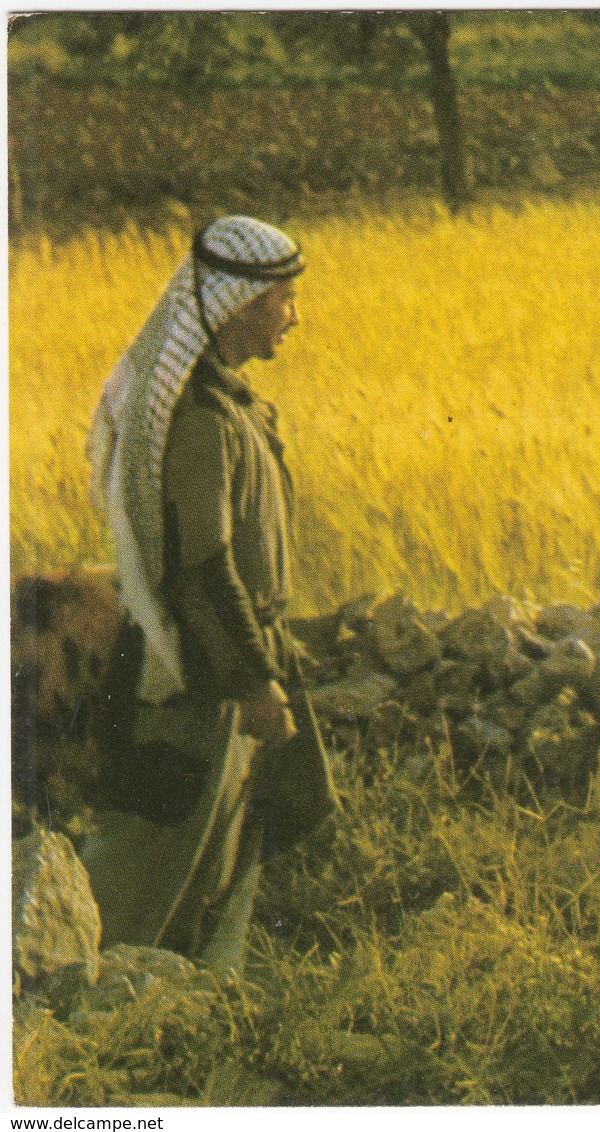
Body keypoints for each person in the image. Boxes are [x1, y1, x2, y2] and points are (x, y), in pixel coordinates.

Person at [82, 215, 336, 972]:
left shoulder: (230, 408)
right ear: (237, 306)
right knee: (158, 854)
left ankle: (183, 1007)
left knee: (218, 849)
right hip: (199, 678)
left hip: (219, 666)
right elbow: (203, 570)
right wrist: (253, 680)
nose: (294, 316)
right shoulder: (199, 422)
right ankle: (69, 1000)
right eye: (283, 299)